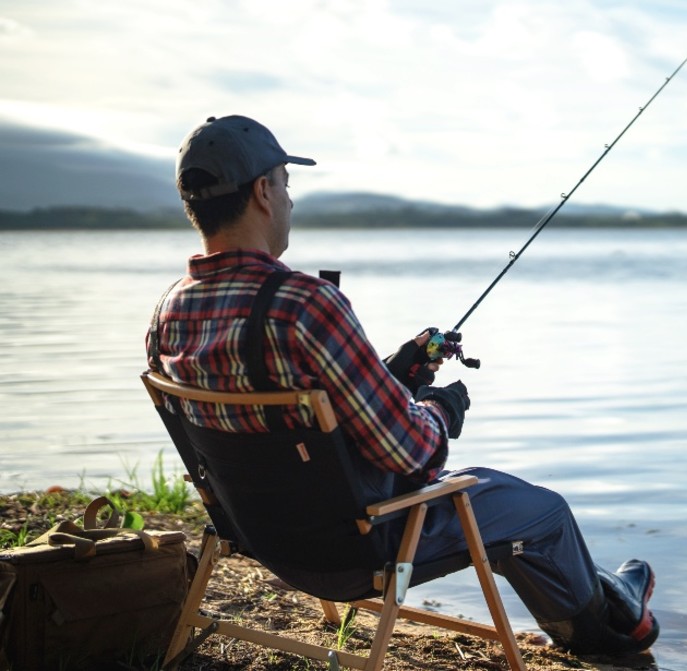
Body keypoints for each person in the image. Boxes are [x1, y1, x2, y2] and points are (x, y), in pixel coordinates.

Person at [146, 115, 658, 655]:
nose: (290, 201)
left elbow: (289, 414)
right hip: (356, 552)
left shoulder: (167, 313)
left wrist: (393, 375)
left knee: (509, 510)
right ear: (263, 192)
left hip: (261, 540)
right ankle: (608, 635)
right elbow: (412, 452)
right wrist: (440, 408)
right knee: (541, 511)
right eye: (286, 185)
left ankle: (613, 596)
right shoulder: (304, 304)